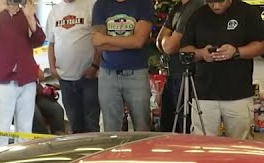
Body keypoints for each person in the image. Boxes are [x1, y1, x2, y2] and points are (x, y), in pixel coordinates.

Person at [180, 0, 264, 137]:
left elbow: (262, 45)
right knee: (202, 146)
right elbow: (184, 50)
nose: (216, 6)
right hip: (204, 95)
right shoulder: (197, 15)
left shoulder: (247, 12)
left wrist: (237, 52)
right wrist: (202, 53)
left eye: (220, 2)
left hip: (238, 94)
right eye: (211, 2)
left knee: (240, 146)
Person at [0, 1, 47, 147]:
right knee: (1, 130)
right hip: (4, 80)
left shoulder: (28, 14)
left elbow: (40, 40)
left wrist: (30, 18)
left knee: (25, 131)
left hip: (27, 79)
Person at [93, 0, 156, 131]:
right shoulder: (101, 4)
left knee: (142, 127)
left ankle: (140, 152)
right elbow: (98, 44)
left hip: (136, 73)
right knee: (110, 129)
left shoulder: (143, 3)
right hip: (107, 75)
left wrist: (106, 39)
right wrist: (129, 42)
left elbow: (139, 41)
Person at [48, 0, 102, 133]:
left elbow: (100, 38)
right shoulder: (55, 11)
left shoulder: (91, 5)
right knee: (75, 125)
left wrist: (94, 66)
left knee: (91, 124)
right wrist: (52, 68)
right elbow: (51, 43)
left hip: (89, 78)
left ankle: (94, 153)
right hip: (65, 79)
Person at [156, 0, 206, 132]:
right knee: (167, 127)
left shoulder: (195, 5)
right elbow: (159, 41)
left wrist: (167, 39)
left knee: (183, 128)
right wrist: (167, 40)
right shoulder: (178, 7)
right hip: (173, 73)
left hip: (188, 75)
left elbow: (170, 46)